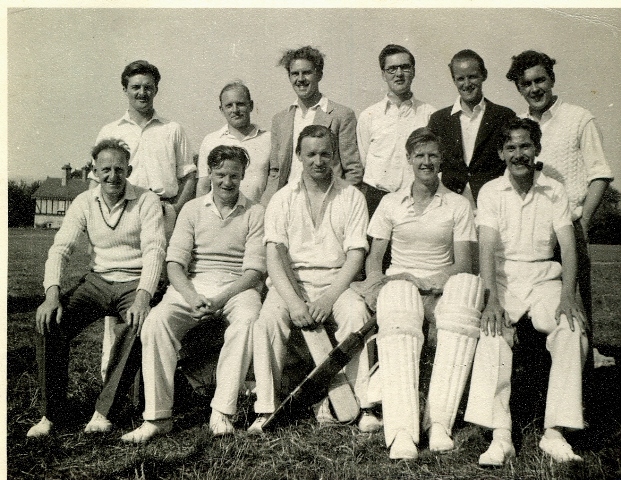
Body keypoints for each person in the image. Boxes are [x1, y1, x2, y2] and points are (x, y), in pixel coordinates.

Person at [121, 145, 266, 443]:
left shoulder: (255, 212)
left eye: (234, 175)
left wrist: (220, 299)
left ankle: (222, 412)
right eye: (221, 174)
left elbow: (253, 273)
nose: (227, 182)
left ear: (243, 176)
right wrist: (191, 297)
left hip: (237, 287)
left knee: (248, 320)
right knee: (156, 323)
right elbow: (174, 264)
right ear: (209, 173)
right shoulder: (192, 209)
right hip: (193, 285)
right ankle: (158, 417)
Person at [465, 118, 588, 465]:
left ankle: (555, 432)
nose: (518, 154)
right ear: (502, 154)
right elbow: (486, 249)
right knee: (492, 333)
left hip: (544, 279)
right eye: (511, 148)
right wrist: (491, 299)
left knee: (571, 329)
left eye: (525, 146)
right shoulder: (491, 191)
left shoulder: (554, 190)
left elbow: (568, 248)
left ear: (537, 149)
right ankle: (501, 436)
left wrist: (568, 295)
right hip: (503, 279)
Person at [26, 139, 166, 438]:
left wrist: (143, 298)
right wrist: (51, 294)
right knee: (49, 323)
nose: (112, 176)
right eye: (106, 170)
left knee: (138, 324)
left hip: (135, 281)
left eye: (119, 169)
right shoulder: (84, 201)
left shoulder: (147, 200)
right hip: (98, 280)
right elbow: (60, 249)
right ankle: (52, 413)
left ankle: (104, 411)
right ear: (95, 171)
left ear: (129, 170)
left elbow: (155, 250)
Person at [249, 125, 378, 434]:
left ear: (334, 156)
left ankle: (364, 406)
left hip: (337, 282)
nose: (318, 161)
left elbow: (356, 255)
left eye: (324, 154)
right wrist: (294, 303)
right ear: (299, 155)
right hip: (290, 283)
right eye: (310, 154)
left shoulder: (352, 196)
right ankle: (265, 408)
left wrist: (329, 298)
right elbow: (273, 257)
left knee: (356, 314)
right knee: (268, 321)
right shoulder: (281, 198)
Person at [364, 127, 482, 460]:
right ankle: (402, 431)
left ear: (441, 160)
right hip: (400, 283)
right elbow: (375, 258)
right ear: (409, 159)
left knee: (462, 303)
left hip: (442, 285)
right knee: (401, 310)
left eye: (432, 155)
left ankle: (439, 422)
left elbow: (464, 263)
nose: (426, 162)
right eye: (419, 155)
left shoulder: (457, 204)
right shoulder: (390, 202)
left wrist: (433, 283)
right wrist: (378, 282)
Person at [506, 50, 614, 369]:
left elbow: (600, 174)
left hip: (570, 223)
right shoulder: (520, 126)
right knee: (535, 296)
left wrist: (584, 220)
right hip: (532, 227)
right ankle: (538, 360)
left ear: (552, 79)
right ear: (519, 88)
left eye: (540, 80)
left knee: (575, 291)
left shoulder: (579, 118)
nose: (534, 89)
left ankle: (587, 356)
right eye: (526, 84)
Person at [93, 60, 197, 381]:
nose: (142, 92)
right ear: (125, 89)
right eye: (135, 86)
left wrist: (175, 210)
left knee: (160, 290)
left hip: (164, 212)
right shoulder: (110, 130)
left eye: (148, 87)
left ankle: (157, 373)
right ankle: (111, 372)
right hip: (124, 212)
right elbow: (97, 181)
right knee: (119, 286)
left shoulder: (172, 129)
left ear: (156, 90)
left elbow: (189, 176)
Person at [261, 46, 363, 205]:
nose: (300, 79)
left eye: (307, 72)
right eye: (295, 73)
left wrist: (343, 204)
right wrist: (266, 205)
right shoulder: (280, 120)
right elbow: (275, 172)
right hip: (288, 202)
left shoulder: (342, 115)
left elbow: (353, 170)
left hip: (328, 201)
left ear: (319, 74)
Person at [428, 49, 515, 211]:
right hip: (450, 205)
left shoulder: (504, 116)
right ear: (454, 80)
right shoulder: (438, 120)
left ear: (484, 75)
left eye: (472, 76)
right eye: (460, 78)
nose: (467, 84)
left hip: (493, 204)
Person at [357, 44, 436, 216]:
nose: (399, 74)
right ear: (383, 74)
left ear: (413, 71)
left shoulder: (430, 114)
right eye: (392, 69)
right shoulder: (368, 116)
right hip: (376, 200)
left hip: (417, 200)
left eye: (405, 67)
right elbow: (362, 162)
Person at [195, 81, 270, 203]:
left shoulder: (268, 139)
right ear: (221, 109)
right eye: (229, 105)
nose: (235, 110)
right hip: (220, 213)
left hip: (258, 211)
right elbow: (203, 186)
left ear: (251, 105)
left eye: (240, 104)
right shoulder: (211, 140)